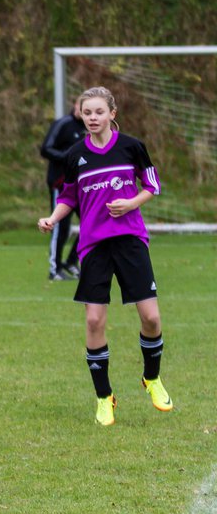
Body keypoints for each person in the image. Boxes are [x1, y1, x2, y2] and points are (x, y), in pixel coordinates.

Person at [39, 86, 172, 426]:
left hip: (130, 241)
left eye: (99, 112)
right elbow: (68, 196)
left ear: (112, 113)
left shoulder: (131, 147)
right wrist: (53, 218)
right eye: (87, 113)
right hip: (94, 246)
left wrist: (131, 203)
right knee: (95, 320)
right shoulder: (75, 155)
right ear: (81, 115)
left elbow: (152, 184)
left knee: (152, 319)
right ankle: (104, 397)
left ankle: (152, 378)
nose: (93, 118)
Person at [40, 103, 86, 280]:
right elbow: (46, 149)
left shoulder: (89, 129)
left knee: (92, 222)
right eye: (84, 109)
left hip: (82, 185)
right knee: (61, 226)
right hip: (61, 184)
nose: (89, 114)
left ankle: (71, 262)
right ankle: (55, 269)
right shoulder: (63, 124)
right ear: (77, 106)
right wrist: (67, 156)